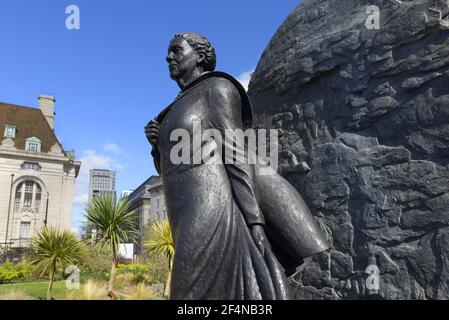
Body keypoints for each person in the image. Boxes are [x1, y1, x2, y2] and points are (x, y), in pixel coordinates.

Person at [146, 32, 330, 300]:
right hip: (182, 214)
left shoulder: (218, 88)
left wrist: (255, 219)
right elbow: (169, 170)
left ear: (199, 56)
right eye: (169, 52)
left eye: (176, 50)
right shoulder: (173, 108)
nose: (168, 56)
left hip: (211, 209)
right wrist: (156, 144)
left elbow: (236, 153)